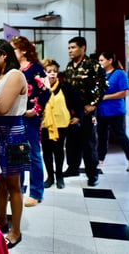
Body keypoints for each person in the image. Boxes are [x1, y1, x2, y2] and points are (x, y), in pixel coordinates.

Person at [0, 39, 28, 249]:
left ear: (3, 55)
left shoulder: (16, 75)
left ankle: (16, 230)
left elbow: (2, 108)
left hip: (13, 133)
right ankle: (1, 220)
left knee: (14, 184)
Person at [10, 36, 50, 207]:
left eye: (14, 49)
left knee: (33, 154)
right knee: (17, 154)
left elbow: (46, 91)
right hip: (15, 116)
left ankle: (36, 192)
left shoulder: (36, 69)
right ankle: (18, 189)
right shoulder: (14, 69)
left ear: (23, 50)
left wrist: (35, 110)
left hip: (31, 117)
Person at [63, 36, 107, 186]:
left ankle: (92, 174)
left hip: (87, 111)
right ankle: (73, 168)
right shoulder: (69, 66)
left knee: (88, 143)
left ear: (83, 48)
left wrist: (93, 104)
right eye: (69, 48)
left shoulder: (93, 65)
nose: (70, 50)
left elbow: (102, 86)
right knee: (72, 142)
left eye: (73, 47)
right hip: (72, 112)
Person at [41, 59, 84, 189]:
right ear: (44, 73)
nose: (53, 74)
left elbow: (78, 102)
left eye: (55, 71)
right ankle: (50, 177)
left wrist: (78, 116)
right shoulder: (41, 88)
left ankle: (59, 176)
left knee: (59, 151)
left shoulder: (65, 87)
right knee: (47, 152)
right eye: (49, 71)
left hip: (61, 124)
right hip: (44, 124)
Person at [97, 52, 129, 171]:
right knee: (102, 136)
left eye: (102, 60)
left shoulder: (119, 74)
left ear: (110, 61)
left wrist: (106, 97)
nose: (100, 63)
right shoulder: (101, 74)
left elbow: (125, 92)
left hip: (116, 111)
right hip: (102, 111)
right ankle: (100, 159)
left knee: (120, 135)